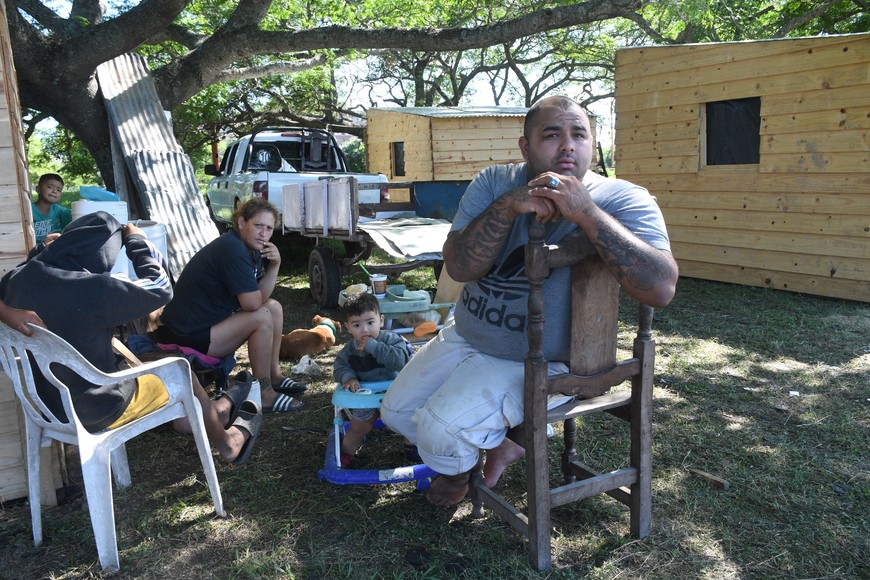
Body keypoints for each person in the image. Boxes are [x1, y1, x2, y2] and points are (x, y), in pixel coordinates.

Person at [380, 95, 679, 508]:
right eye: (551, 135)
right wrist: (507, 206)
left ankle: (459, 477)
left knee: (439, 430)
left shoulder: (623, 199)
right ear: (525, 146)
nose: (567, 146)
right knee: (395, 413)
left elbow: (661, 289)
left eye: (579, 135)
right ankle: (503, 440)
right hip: (467, 334)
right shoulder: (494, 182)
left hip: (548, 360)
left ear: (594, 143)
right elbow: (461, 267)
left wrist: (587, 213)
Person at [0, 211, 261, 464]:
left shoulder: (14, 280)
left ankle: (210, 412)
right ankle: (227, 443)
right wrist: (136, 240)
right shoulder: (93, 289)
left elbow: (28, 267)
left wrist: (41, 250)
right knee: (181, 370)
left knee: (148, 365)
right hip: (97, 409)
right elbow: (160, 288)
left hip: (44, 406)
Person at [157, 197, 306, 413]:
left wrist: (275, 265)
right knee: (262, 315)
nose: (263, 233)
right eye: (258, 225)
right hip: (187, 335)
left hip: (205, 327)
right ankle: (264, 394)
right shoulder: (232, 249)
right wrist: (274, 268)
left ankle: (273, 375)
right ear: (241, 222)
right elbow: (253, 303)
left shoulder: (247, 249)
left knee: (273, 307)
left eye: (269, 228)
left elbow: (258, 297)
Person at [333, 291, 413, 467]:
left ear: (381, 321)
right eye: (356, 325)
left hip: (394, 391)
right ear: (348, 327)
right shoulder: (349, 350)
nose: (364, 330)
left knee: (409, 421)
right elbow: (340, 366)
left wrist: (374, 347)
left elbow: (400, 361)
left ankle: (412, 449)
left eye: (370, 322)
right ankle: (345, 456)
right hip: (365, 394)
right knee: (358, 427)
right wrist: (349, 377)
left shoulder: (392, 340)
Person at [31, 173, 71, 245]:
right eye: (50, 187)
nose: (54, 191)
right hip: (35, 251)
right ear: (38, 189)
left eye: (59, 190)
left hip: (55, 250)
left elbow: (77, 216)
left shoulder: (59, 211)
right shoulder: (30, 211)